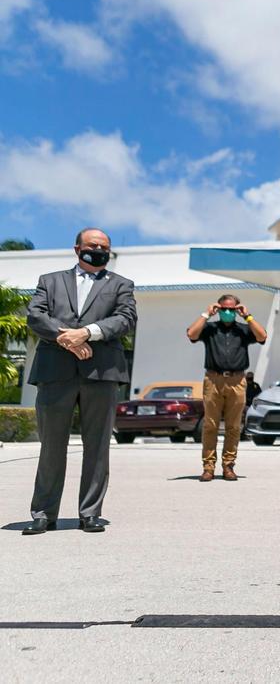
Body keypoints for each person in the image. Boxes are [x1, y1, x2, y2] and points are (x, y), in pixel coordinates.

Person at [23, 228, 136, 535]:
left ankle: (90, 513)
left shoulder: (122, 285)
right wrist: (66, 338)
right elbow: (35, 316)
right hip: (55, 374)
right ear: (77, 248)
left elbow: (125, 319)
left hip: (101, 374)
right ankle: (43, 513)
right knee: (51, 446)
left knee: (97, 446)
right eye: (92, 245)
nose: (98, 250)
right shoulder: (50, 281)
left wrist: (87, 333)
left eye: (104, 247)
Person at [186, 294, 268, 482]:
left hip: (237, 381)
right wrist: (206, 314)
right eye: (224, 309)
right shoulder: (210, 329)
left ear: (237, 309)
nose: (228, 313)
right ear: (218, 309)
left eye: (232, 309)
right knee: (210, 425)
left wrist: (248, 316)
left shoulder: (243, 330)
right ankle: (208, 467)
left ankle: (228, 466)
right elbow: (191, 333)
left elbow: (262, 336)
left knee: (233, 426)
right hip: (213, 379)